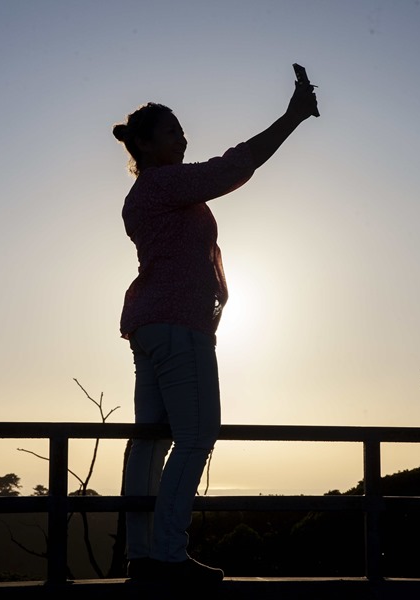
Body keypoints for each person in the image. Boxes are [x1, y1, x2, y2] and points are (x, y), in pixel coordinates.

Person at [112, 75, 319, 584]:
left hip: (152, 326)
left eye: (182, 130)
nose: (183, 138)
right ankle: (168, 556)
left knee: (150, 439)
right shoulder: (164, 184)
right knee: (196, 434)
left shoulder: (148, 192)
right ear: (144, 145)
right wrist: (292, 117)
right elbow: (234, 165)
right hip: (178, 326)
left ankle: (142, 554)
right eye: (172, 132)